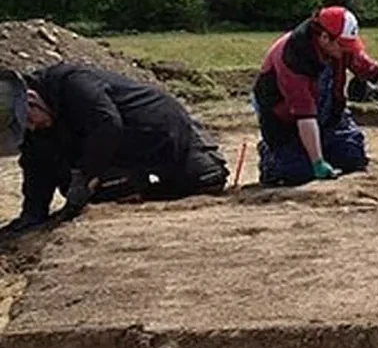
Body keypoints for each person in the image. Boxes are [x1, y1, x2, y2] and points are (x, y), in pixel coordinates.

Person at [0, 64, 228, 237]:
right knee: (108, 191)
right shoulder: (36, 128)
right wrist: (32, 215)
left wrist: (85, 174)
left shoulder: (72, 82)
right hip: (118, 155)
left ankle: (155, 182)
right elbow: (36, 168)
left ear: (31, 100)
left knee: (207, 178)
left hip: (158, 131)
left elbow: (107, 125)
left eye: (28, 120)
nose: (32, 128)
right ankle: (138, 186)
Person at [253, 3, 378, 186]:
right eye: (344, 46)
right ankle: (272, 157)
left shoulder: (340, 45)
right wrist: (318, 162)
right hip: (285, 119)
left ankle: (319, 148)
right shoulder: (292, 58)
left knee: (352, 157)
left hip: (327, 110)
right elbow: (304, 115)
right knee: (299, 173)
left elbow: (371, 71)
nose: (349, 51)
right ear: (324, 38)